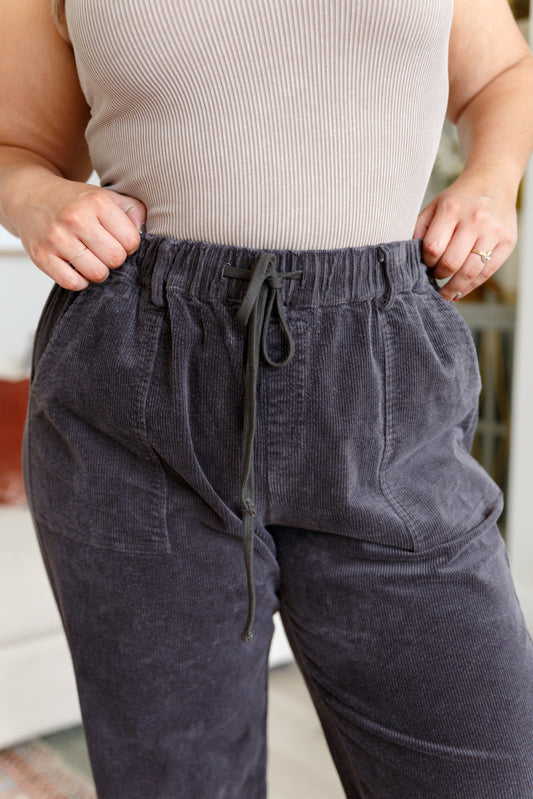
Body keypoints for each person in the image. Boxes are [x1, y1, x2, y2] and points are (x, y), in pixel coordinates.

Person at [1, 0, 533, 796]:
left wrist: (491, 183)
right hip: (134, 388)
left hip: (384, 381)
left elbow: (502, 74)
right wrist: (35, 199)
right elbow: (19, 146)